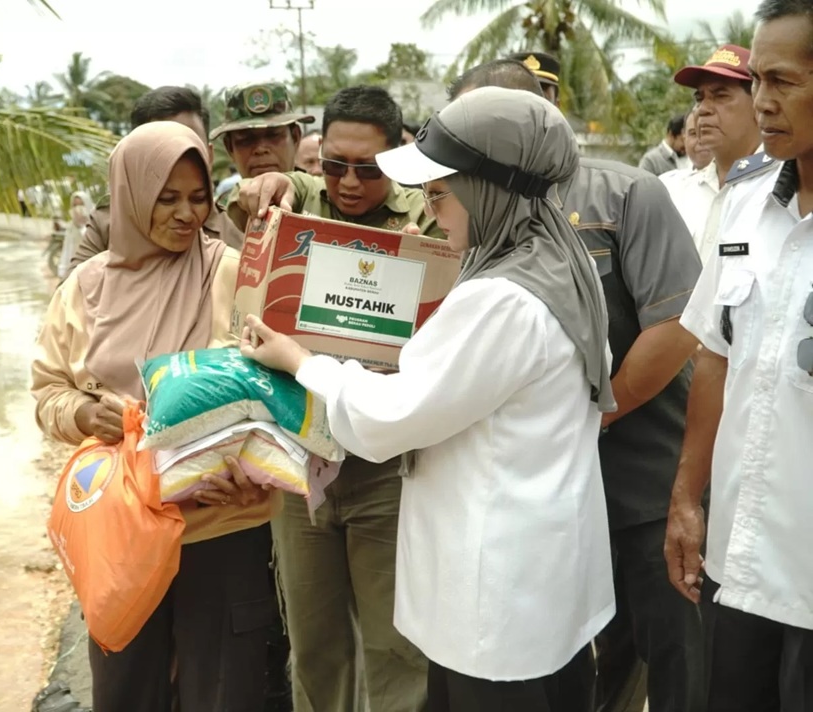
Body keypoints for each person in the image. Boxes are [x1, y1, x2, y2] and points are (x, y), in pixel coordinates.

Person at [241, 86, 616, 712]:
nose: (434, 213)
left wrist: (303, 362)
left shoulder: (496, 298)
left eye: (440, 194)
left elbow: (390, 418)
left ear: (487, 189)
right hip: (544, 572)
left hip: (494, 591)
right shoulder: (562, 260)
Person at [450, 59, 705, 712]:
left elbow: (677, 326)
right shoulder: (467, 213)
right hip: (538, 503)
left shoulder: (624, 196)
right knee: (581, 673)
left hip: (639, 487)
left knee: (677, 663)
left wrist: (595, 413)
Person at [32, 122, 278, 712]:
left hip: (223, 524)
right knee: (126, 690)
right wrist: (88, 414)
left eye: (198, 198)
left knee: (224, 692)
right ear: (130, 197)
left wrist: (258, 473)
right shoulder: (84, 289)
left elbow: (277, 385)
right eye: (166, 199)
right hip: (122, 531)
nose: (185, 214)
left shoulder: (233, 272)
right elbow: (47, 394)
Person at [230, 85, 440, 712]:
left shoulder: (426, 215)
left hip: (384, 467)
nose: (349, 183)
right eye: (335, 165)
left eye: (368, 169)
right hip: (297, 461)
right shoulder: (296, 197)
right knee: (316, 644)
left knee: (396, 645)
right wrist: (258, 192)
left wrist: (425, 263)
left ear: (397, 158)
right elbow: (242, 195)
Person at [665, 1, 813, 709]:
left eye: (782, 81)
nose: (763, 101)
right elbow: (715, 357)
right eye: (757, 81)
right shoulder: (744, 209)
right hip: (741, 559)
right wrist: (687, 500)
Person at [68, 86, 244, 273]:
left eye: (190, 146)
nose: (177, 157)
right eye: (160, 150)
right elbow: (73, 293)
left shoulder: (237, 225)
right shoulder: (108, 223)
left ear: (208, 155)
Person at [672, 44, 770, 263]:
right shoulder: (675, 192)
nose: (703, 109)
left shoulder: (784, 193)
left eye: (720, 95)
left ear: (757, 105)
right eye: (699, 98)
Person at [211, 82, 313, 190]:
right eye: (246, 139)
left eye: (273, 135)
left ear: (295, 138)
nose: (260, 149)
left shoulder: (325, 200)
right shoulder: (218, 206)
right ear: (229, 148)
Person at [659, 111, 718, 240]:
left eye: (706, 132)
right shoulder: (667, 185)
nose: (700, 140)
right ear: (684, 137)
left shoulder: (734, 185)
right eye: (693, 133)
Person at [56, 190, 91, 280]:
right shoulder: (71, 228)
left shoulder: (95, 224)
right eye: (75, 205)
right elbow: (67, 251)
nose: (78, 208)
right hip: (74, 273)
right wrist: (63, 272)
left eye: (81, 205)